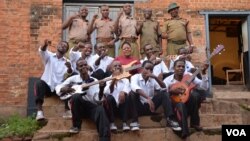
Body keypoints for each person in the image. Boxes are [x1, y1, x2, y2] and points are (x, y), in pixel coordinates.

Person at [56, 58, 110, 141]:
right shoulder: (73, 79)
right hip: (78, 109)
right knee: (76, 96)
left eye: (85, 65)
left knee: (100, 109)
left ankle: (104, 139)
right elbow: (58, 87)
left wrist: (101, 89)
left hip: (90, 108)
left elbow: (97, 100)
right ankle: (76, 126)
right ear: (77, 68)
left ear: (88, 67)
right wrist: (64, 89)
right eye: (81, 66)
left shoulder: (94, 80)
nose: (84, 67)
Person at [129, 60, 181, 131]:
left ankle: (170, 119)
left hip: (151, 107)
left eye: (151, 69)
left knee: (164, 93)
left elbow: (164, 88)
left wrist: (156, 78)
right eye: (147, 68)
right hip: (139, 107)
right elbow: (134, 87)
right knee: (132, 93)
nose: (149, 71)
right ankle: (134, 121)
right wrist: (147, 98)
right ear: (141, 69)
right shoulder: (135, 77)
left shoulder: (152, 79)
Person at [163, 59, 209, 138]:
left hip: (188, 104)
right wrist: (171, 91)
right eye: (178, 66)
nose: (181, 68)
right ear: (174, 68)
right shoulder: (168, 80)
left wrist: (204, 73)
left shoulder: (189, 76)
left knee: (195, 95)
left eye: (183, 67)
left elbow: (204, 87)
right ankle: (185, 133)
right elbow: (163, 95)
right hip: (175, 106)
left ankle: (194, 123)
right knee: (181, 105)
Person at [35, 39, 73, 121]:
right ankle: (39, 112)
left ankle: (67, 110)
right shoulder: (49, 56)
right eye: (61, 44)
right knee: (39, 83)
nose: (63, 46)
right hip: (48, 87)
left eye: (65, 46)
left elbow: (70, 73)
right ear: (57, 46)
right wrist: (45, 44)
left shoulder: (67, 62)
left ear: (66, 50)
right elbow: (42, 50)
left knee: (69, 85)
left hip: (59, 88)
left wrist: (69, 67)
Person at [104, 61, 131, 132]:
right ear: (111, 69)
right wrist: (113, 80)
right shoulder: (106, 80)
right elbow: (106, 92)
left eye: (119, 66)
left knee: (127, 97)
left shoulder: (125, 80)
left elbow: (128, 89)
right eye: (115, 66)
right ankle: (112, 123)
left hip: (122, 107)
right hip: (112, 109)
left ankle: (125, 123)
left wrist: (123, 92)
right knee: (109, 98)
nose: (118, 67)